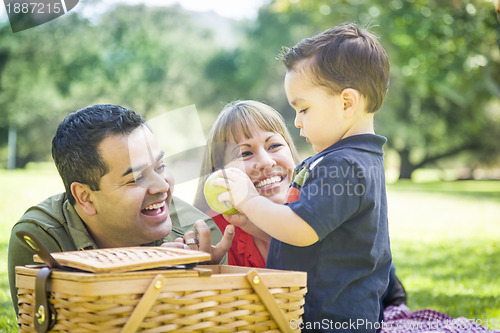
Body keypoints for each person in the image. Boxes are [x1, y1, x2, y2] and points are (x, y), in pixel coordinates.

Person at [213, 23, 392, 332]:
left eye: (304, 109)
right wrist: (256, 222)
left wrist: (249, 199)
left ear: (346, 103)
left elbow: (302, 229)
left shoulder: (343, 164)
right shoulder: (354, 159)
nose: (296, 121)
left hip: (332, 321)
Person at [8, 104, 234, 315]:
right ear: (85, 198)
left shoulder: (200, 236)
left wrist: (200, 281)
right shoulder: (41, 239)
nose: (163, 186)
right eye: (136, 178)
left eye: (160, 166)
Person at [194, 100, 300, 267]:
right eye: (245, 153)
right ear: (220, 173)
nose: (266, 162)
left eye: (274, 145)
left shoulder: (322, 204)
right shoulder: (213, 235)